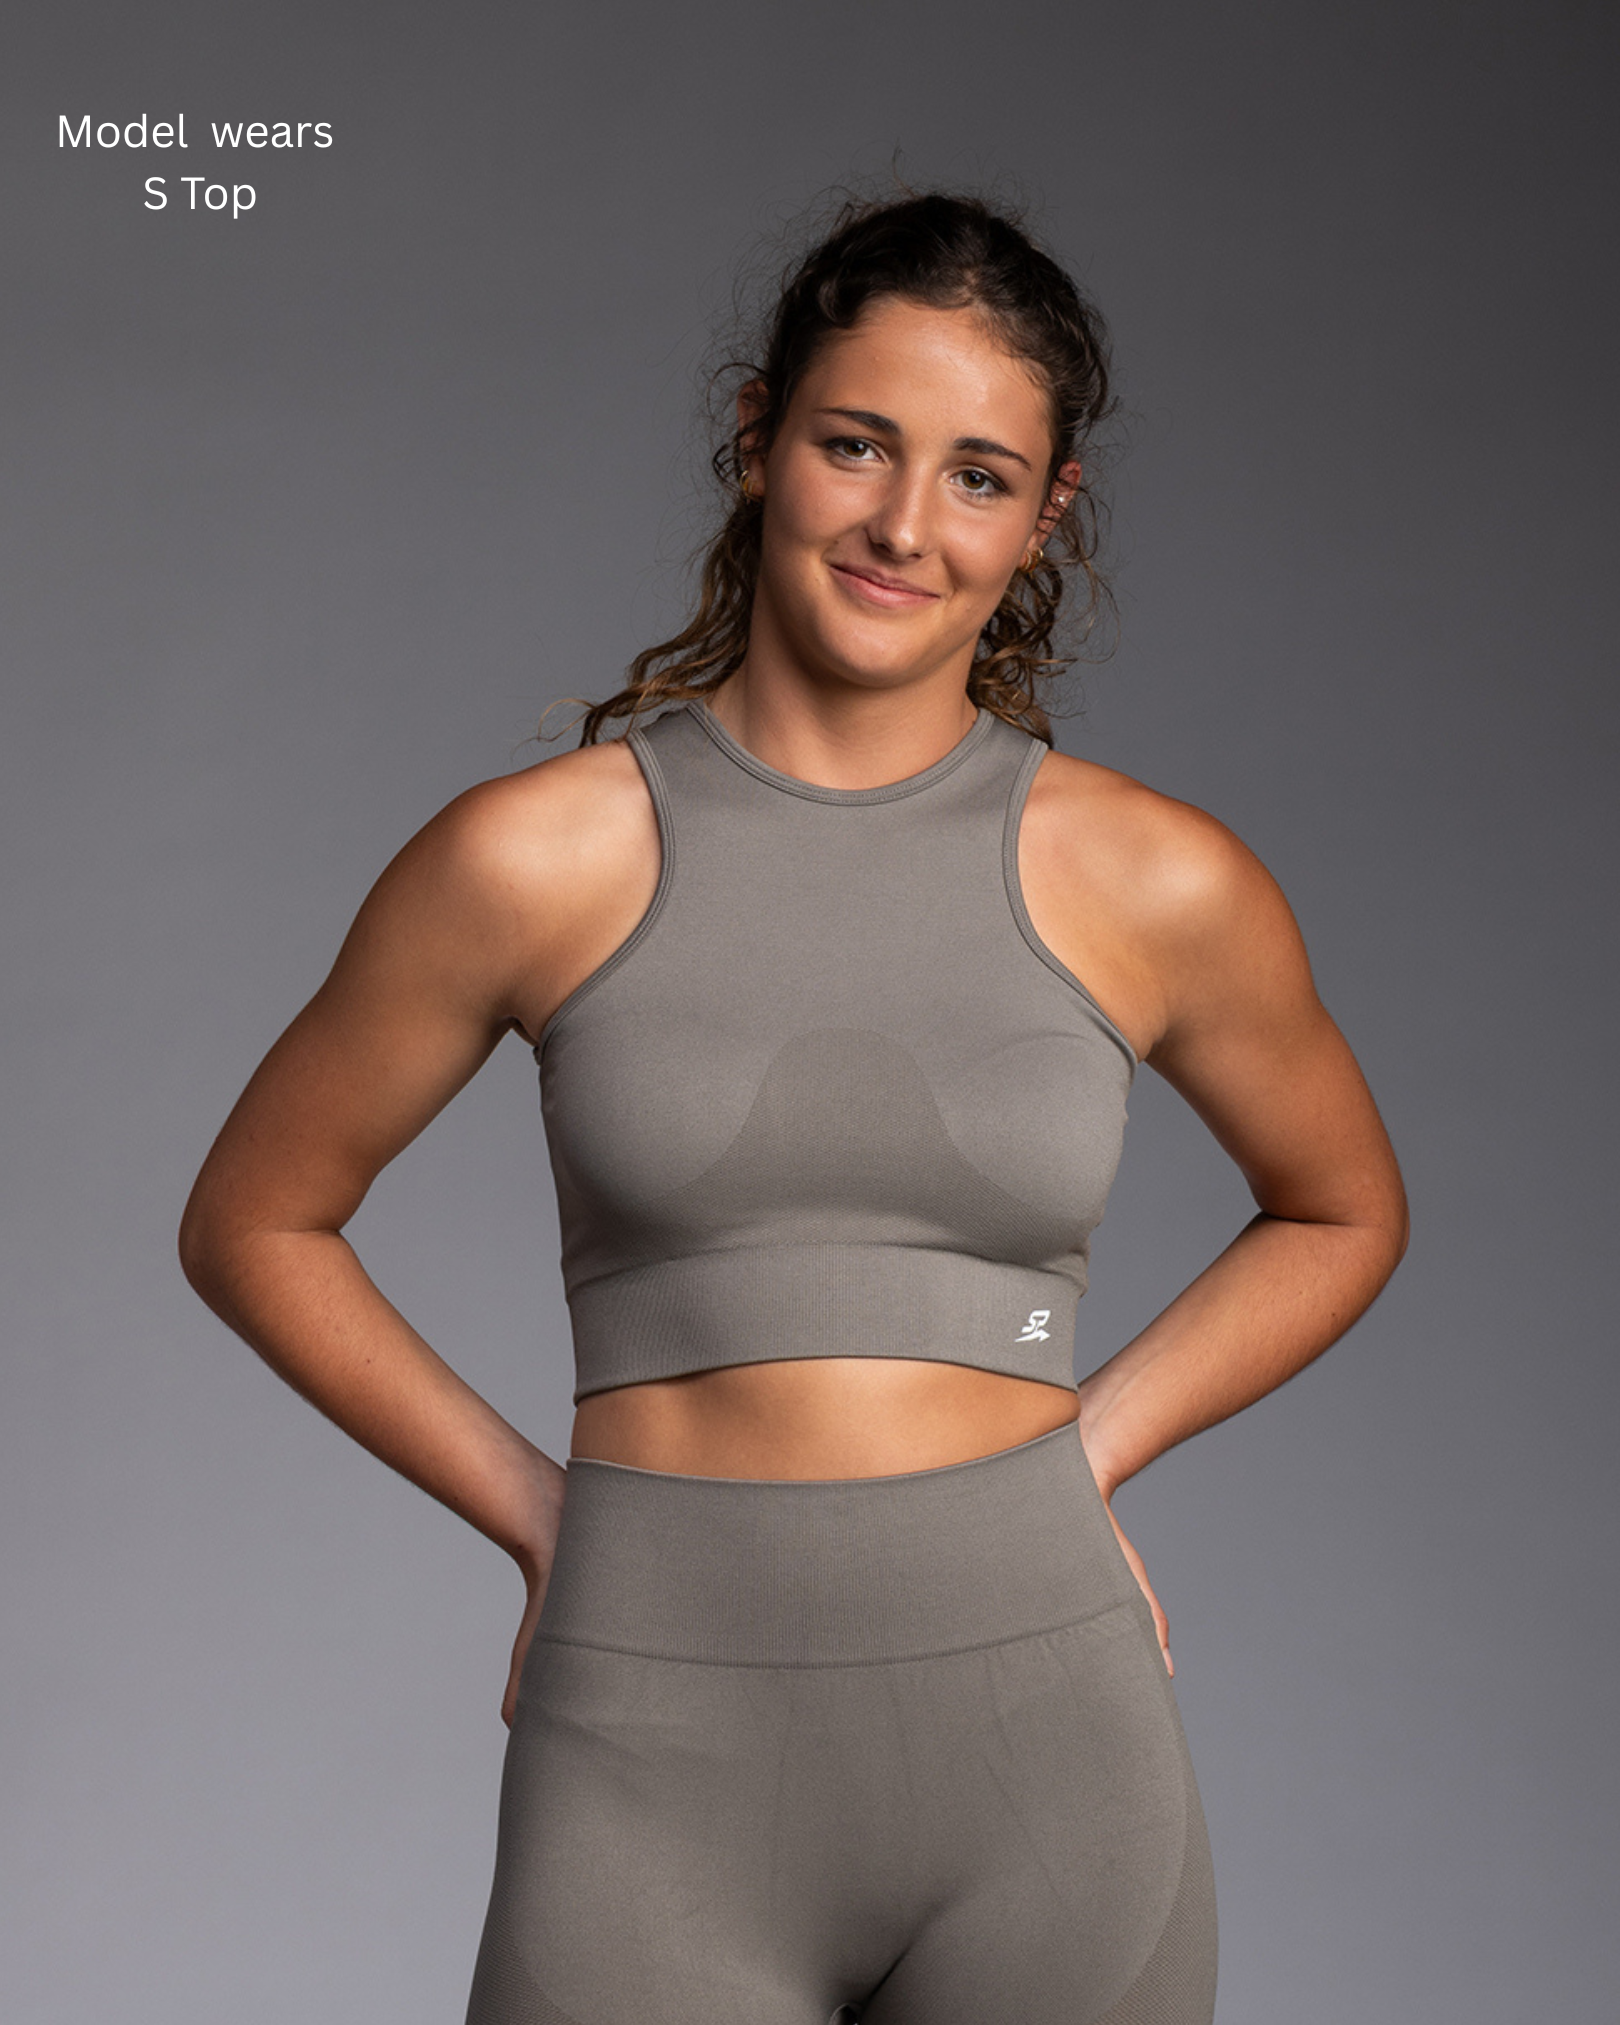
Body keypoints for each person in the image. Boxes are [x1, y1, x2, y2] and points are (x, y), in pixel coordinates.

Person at [179, 191, 1408, 2025]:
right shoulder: (537, 859)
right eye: (857, 445)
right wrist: (537, 1514)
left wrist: (1091, 1449)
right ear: (759, 438)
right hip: (649, 1736)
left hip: (1054, 1760)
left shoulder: (1155, 881)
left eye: (980, 477)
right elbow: (254, 1223)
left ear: (1046, 518)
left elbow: (1344, 1208)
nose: (907, 524)